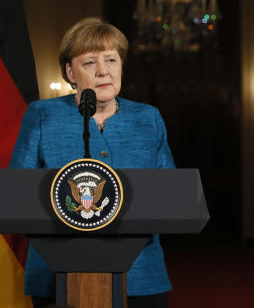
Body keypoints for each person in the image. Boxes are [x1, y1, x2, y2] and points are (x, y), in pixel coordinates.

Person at [10, 18, 174, 307]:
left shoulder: (148, 118)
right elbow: (17, 195)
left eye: (111, 59)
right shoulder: (41, 115)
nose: (103, 71)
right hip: (56, 276)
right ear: (70, 72)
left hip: (141, 275)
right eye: (89, 63)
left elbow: (170, 193)